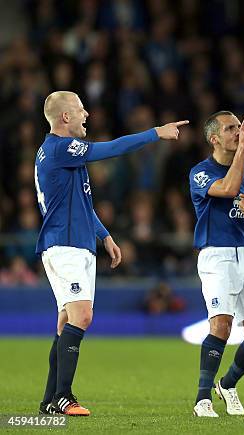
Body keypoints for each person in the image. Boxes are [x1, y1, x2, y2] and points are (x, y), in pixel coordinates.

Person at [35, 91, 187, 416]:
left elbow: (80, 204)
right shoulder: (61, 148)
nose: (86, 114)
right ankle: (64, 396)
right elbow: (110, 149)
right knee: (82, 317)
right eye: (79, 110)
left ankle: (50, 399)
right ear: (65, 117)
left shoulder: (62, 156)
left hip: (77, 244)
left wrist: (104, 236)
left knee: (67, 322)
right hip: (64, 246)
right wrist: (154, 133)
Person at [189, 111, 244, 418]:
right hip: (218, 254)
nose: (238, 132)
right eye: (231, 129)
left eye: (239, 127)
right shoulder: (200, 172)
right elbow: (226, 189)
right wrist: (242, 150)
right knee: (222, 326)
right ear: (215, 139)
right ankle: (203, 399)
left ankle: (227, 384)